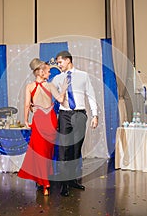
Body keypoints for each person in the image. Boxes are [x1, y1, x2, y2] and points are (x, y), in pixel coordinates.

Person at [17, 58, 68, 196]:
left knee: (39, 152)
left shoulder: (29, 87)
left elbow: (27, 105)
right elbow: (60, 100)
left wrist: (26, 120)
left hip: (39, 119)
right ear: (40, 71)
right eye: (47, 71)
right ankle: (44, 182)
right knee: (46, 152)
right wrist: (63, 90)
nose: (49, 73)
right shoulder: (50, 86)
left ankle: (43, 182)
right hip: (50, 119)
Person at [52, 50, 98, 197]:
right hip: (64, 114)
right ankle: (64, 184)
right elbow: (48, 93)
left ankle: (72, 180)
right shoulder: (57, 78)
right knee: (64, 149)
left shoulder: (83, 76)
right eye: (57, 63)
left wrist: (95, 115)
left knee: (76, 149)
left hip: (79, 115)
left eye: (60, 62)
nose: (58, 65)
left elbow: (91, 95)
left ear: (68, 60)